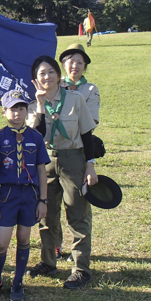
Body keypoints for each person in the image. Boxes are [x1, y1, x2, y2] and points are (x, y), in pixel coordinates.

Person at [26, 55, 98, 290]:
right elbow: (35, 138)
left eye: (50, 72)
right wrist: (38, 106)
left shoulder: (75, 99)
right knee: (46, 214)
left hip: (73, 159)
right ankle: (48, 261)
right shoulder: (31, 105)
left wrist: (90, 164)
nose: (47, 77)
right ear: (35, 80)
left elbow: (87, 135)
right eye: (41, 74)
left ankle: (80, 269)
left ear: (58, 74)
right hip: (45, 162)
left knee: (77, 213)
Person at [0, 90, 49, 301]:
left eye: (21, 108)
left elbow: (41, 171)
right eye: (13, 109)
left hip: (29, 195)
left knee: (23, 238)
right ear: (4, 112)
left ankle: (18, 282)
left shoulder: (35, 137)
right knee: (1, 242)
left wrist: (43, 200)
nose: (18, 113)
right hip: (7, 195)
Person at [56, 43, 100, 260]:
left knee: (77, 206)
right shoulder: (53, 85)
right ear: (63, 64)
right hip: (52, 153)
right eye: (70, 61)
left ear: (85, 67)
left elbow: (89, 124)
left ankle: (80, 256)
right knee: (50, 206)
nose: (74, 66)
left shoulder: (89, 90)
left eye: (79, 63)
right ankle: (54, 247)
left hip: (77, 152)